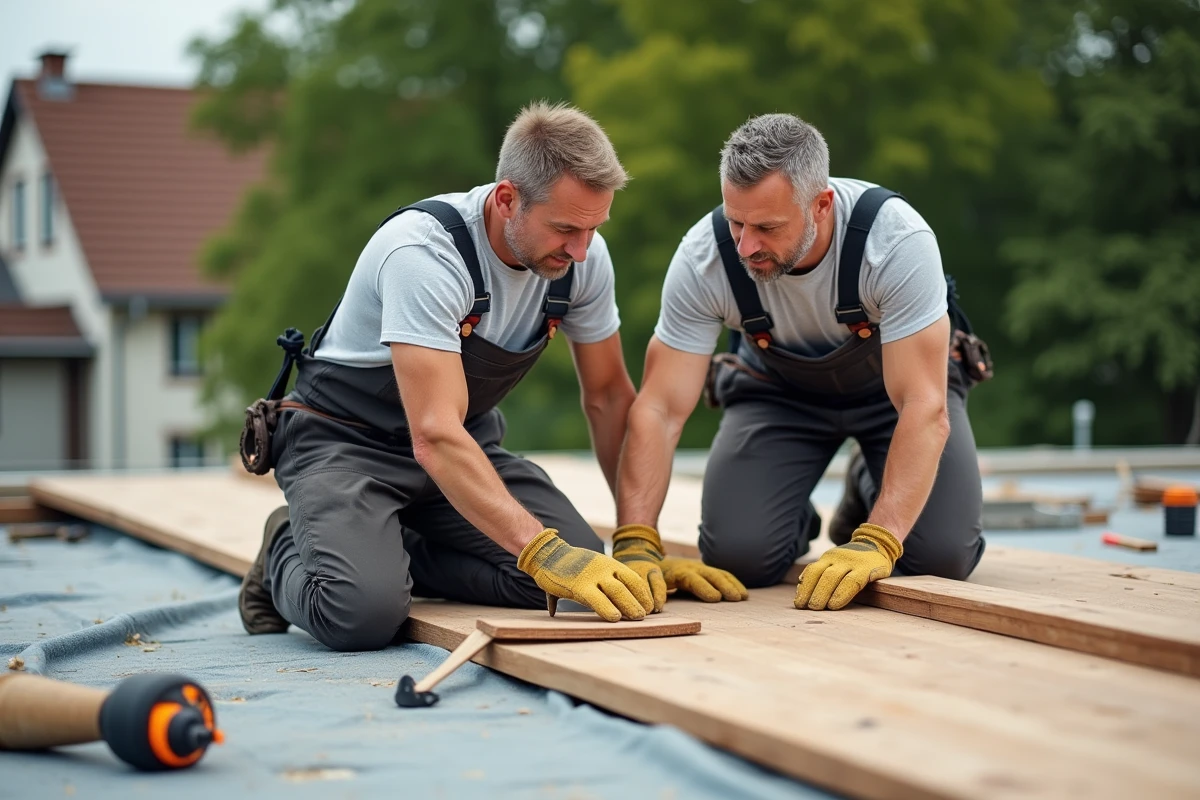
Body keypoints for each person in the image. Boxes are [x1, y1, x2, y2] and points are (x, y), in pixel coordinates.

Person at [236, 102, 716, 652]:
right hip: (346, 446)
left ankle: (385, 549)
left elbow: (609, 398)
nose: (581, 250)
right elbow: (434, 434)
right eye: (565, 229)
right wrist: (544, 552)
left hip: (462, 453)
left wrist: (637, 540)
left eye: (593, 228)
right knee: (361, 614)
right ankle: (285, 552)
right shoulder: (425, 254)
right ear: (507, 198)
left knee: (585, 588)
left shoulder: (581, 257)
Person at [614, 113, 988, 612]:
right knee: (739, 555)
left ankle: (867, 482)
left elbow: (923, 403)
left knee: (941, 556)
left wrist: (877, 539)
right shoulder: (705, 257)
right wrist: (636, 540)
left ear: (821, 204)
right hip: (778, 398)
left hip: (894, 402)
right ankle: (787, 507)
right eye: (736, 222)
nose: (745, 246)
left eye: (767, 227)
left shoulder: (895, 242)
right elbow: (659, 409)